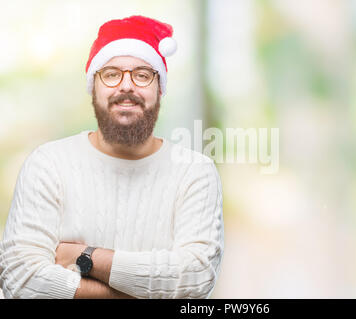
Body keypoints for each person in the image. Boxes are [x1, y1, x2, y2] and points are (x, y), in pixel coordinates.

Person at [0, 15, 224, 299]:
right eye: (111, 74)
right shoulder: (48, 164)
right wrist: (143, 291)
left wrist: (86, 256)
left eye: (142, 74)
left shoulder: (194, 172)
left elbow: (195, 278)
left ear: (160, 88)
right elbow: (20, 280)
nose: (127, 86)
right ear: (94, 86)